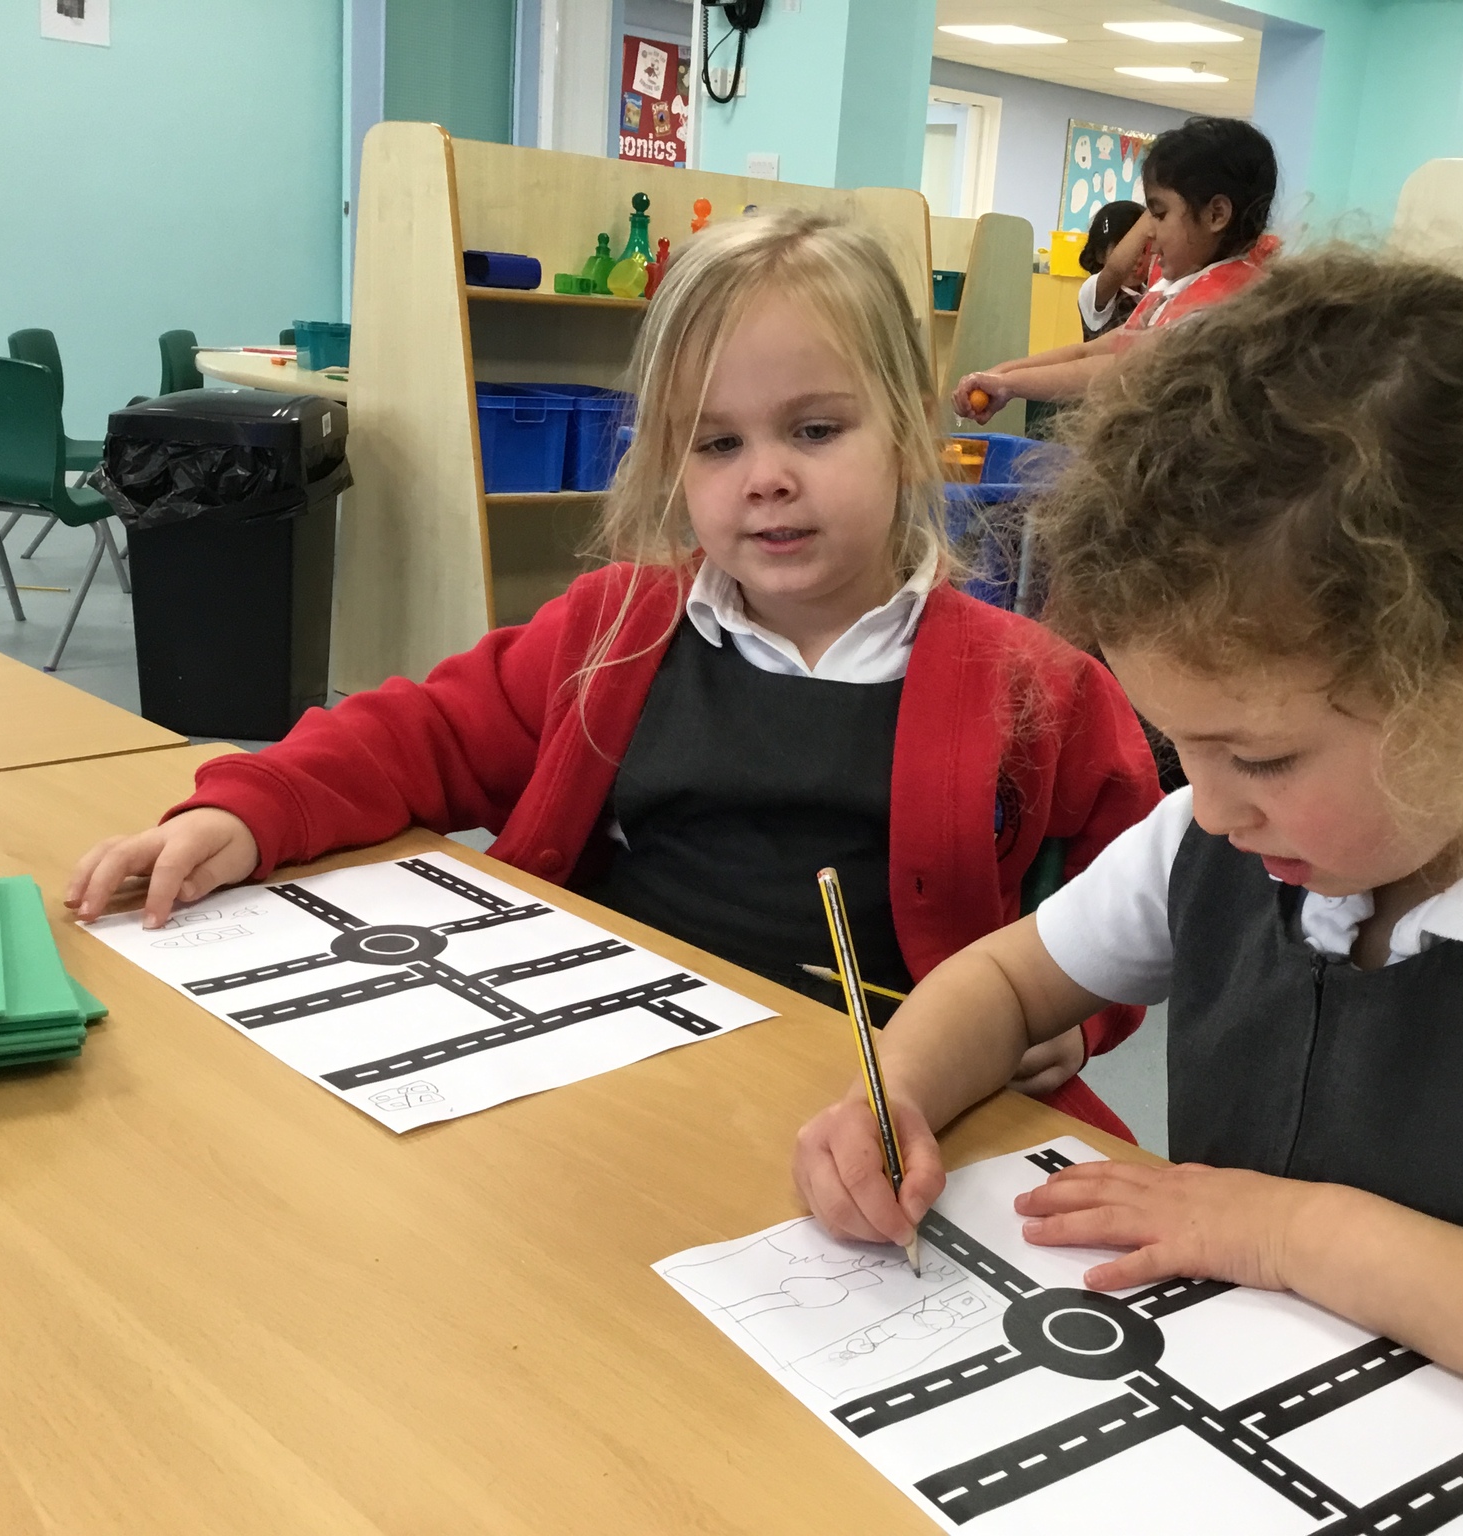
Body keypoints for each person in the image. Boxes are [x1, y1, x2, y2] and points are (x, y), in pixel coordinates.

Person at [793, 250, 1463, 1457]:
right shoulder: (1227, 833)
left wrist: (1278, 1232)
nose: (1209, 810)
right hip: (1224, 1431)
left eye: (1262, 758)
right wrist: (893, 1095)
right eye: (1180, 750)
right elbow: (1008, 983)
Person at [66, 210, 1163, 1136]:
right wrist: (251, 808)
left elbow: (1144, 892)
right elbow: (420, 735)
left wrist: (1073, 1018)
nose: (765, 478)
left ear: (910, 434)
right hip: (603, 1082)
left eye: (815, 429)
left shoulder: (1040, 688)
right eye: (715, 444)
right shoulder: (614, 631)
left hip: (878, 1114)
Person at [952, 117, 1279, 424]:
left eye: (1159, 215)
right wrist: (1002, 374)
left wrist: (1010, 384)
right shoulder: (1177, 286)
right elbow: (1095, 349)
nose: (1149, 233)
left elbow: (1122, 367)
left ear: (1216, 215)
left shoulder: (1224, 310)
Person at [1074, 200, 1151, 344]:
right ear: (1100, 255)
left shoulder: (1151, 291)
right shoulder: (1092, 292)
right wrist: (1152, 211)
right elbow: (1116, 270)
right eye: (1125, 249)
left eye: (1144, 249)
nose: (1138, 259)